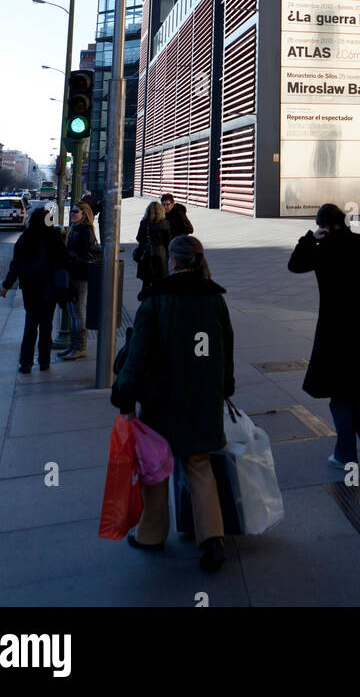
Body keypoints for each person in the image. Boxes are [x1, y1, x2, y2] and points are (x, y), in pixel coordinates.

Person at [111, 234, 235, 572]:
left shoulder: (157, 300)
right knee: (199, 466)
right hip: (203, 398)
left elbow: (137, 355)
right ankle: (212, 540)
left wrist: (124, 392)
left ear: (174, 262)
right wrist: (225, 385)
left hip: (162, 400)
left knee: (156, 467)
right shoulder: (214, 299)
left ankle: (152, 533)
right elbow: (224, 347)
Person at [288, 203, 360, 470]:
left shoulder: (323, 248)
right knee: (354, 384)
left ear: (324, 226)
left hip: (334, 327)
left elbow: (294, 265)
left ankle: (345, 453)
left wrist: (310, 239)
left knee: (338, 390)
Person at [1, 207, 69, 373]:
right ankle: (44, 362)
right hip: (49, 288)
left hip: (30, 289)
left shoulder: (26, 238)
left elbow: (15, 264)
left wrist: (6, 285)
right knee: (46, 326)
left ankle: (26, 363)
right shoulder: (54, 238)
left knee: (30, 325)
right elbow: (64, 261)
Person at [57, 201, 99, 361]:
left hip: (79, 275)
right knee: (73, 310)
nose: (72, 214)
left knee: (78, 311)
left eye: (75, 212)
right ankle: (74, 346)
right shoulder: (75, 228)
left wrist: (68, 257)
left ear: (84, 214)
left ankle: (80, 347)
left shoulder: (85, 231)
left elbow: (85, 255)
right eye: (72, 211)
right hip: (71, 273)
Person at [134, 201, 172, 302]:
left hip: (146, 255)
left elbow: (139, 238)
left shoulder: (144, 223)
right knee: (160, 283)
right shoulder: (165, 223)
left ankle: (146, 305)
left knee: (146, 282)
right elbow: (168, 241)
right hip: (161, 255)